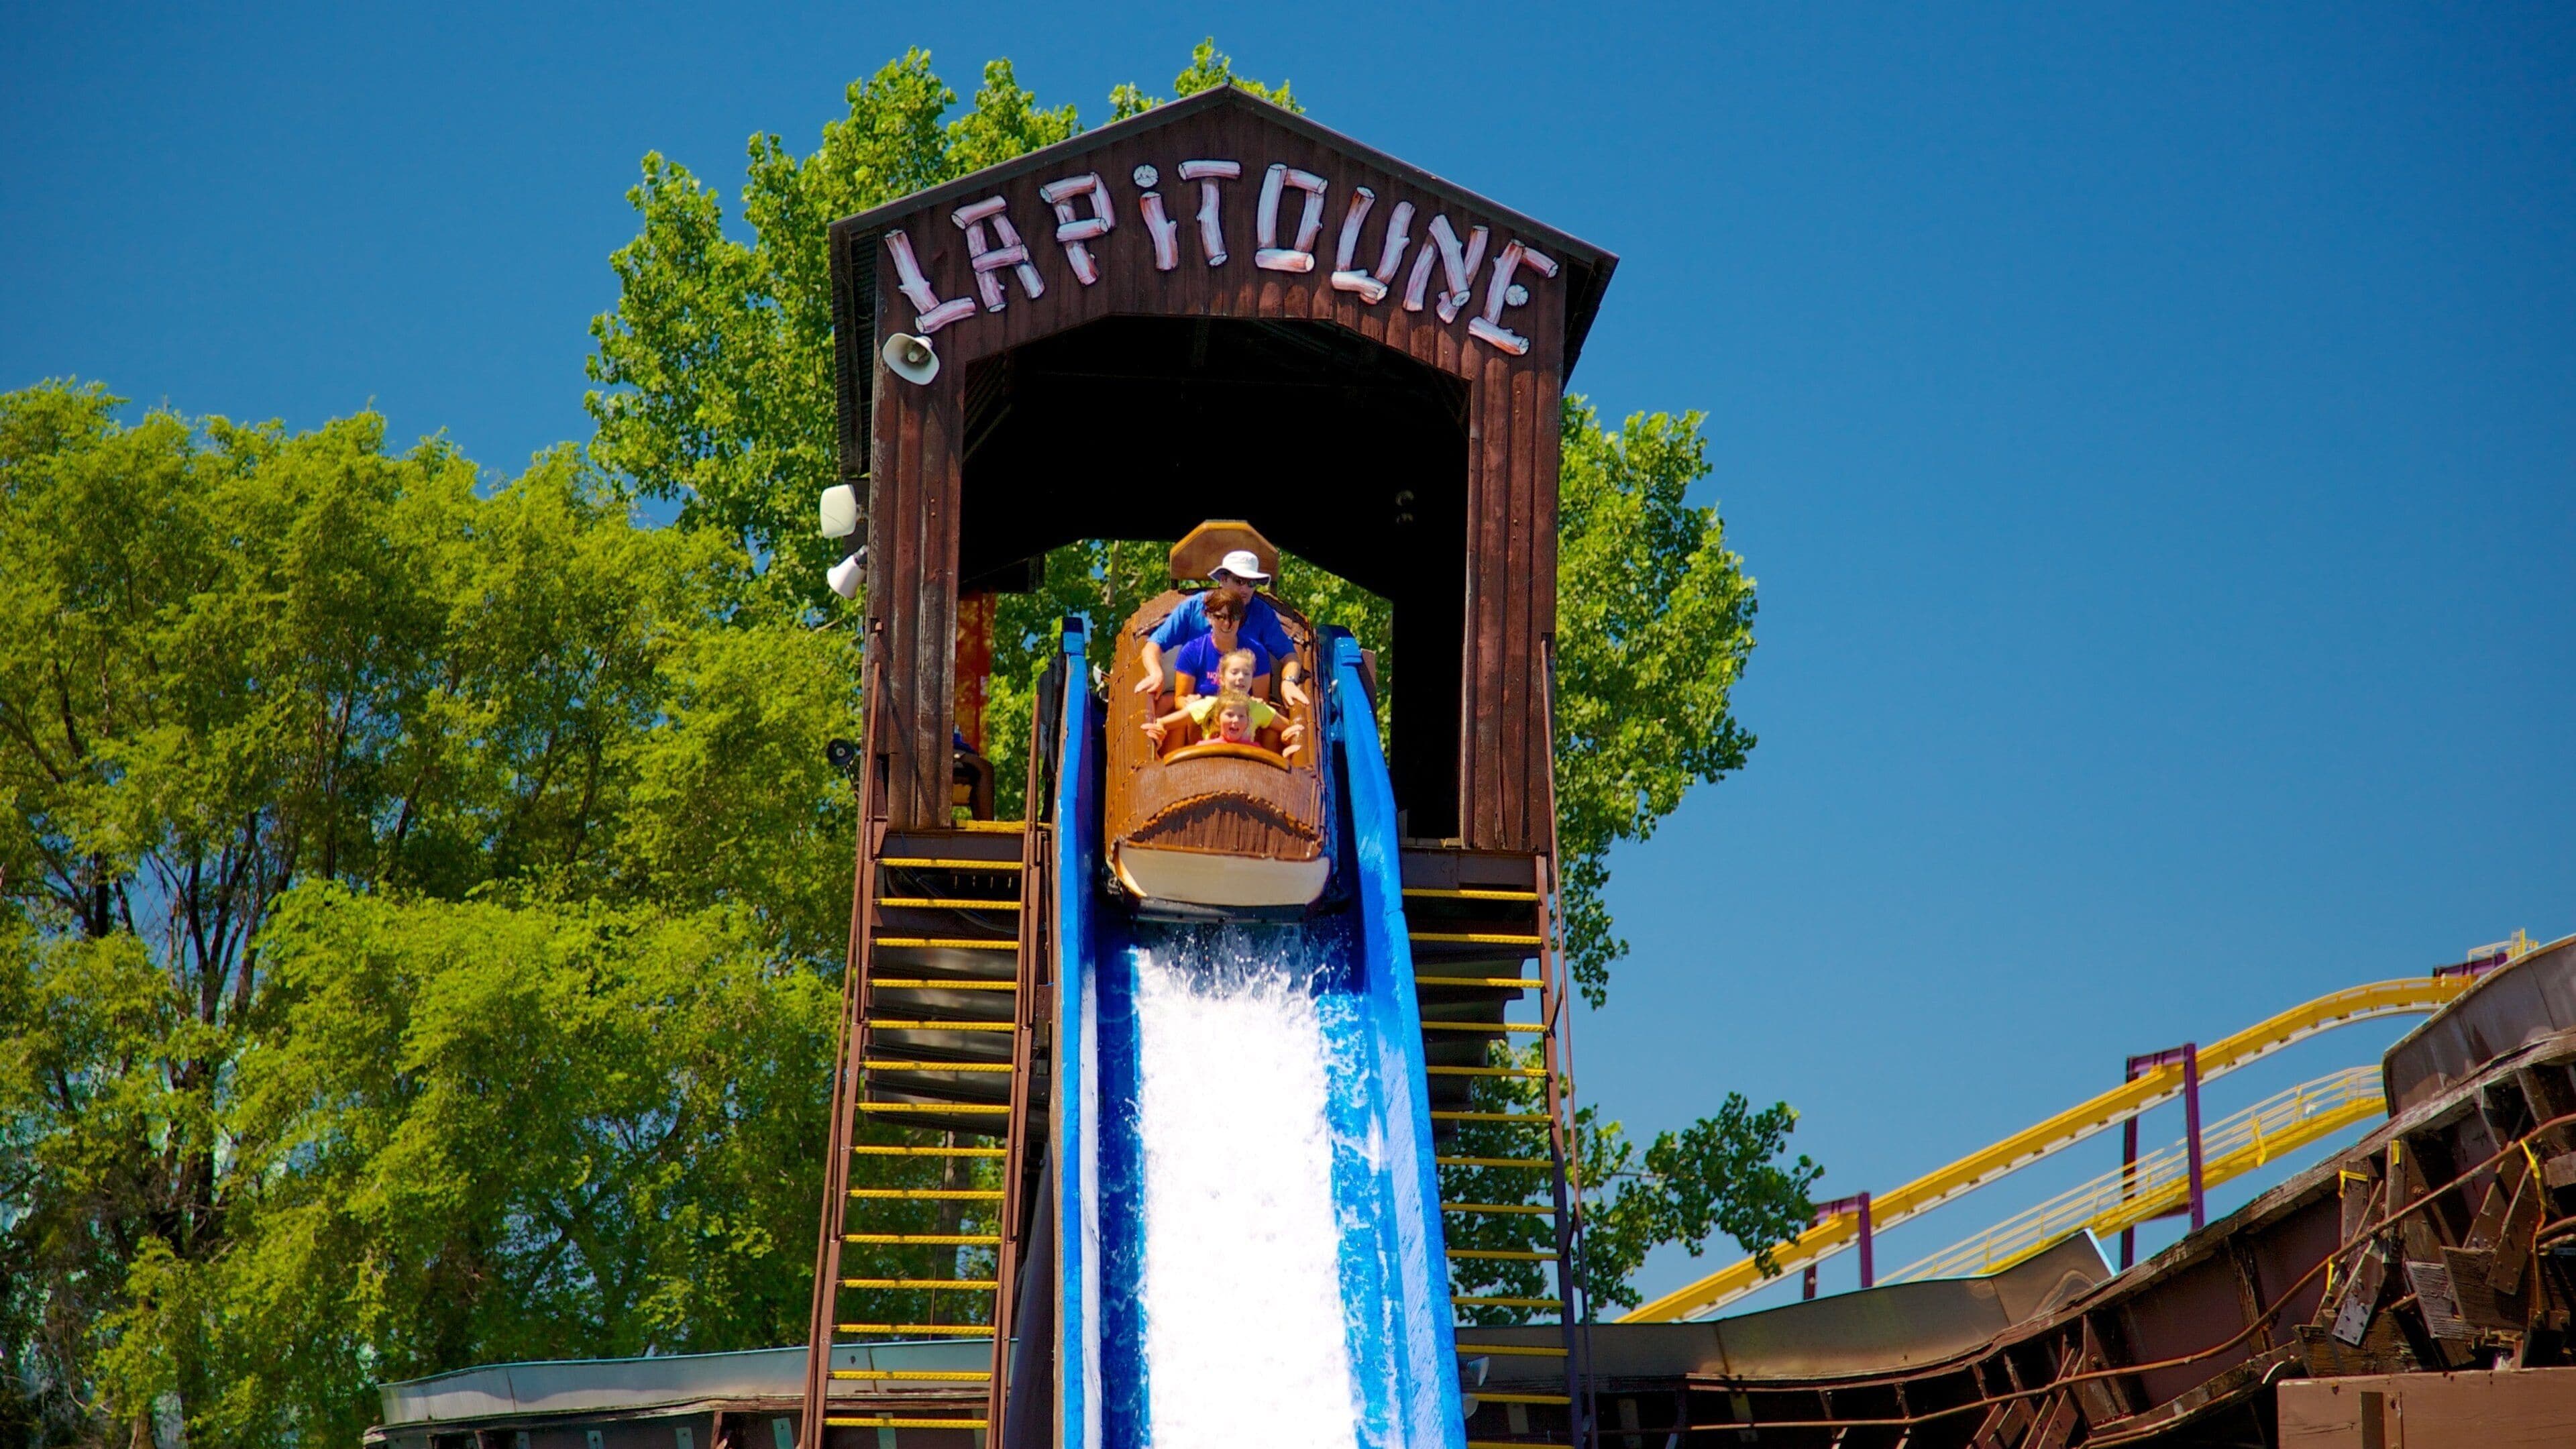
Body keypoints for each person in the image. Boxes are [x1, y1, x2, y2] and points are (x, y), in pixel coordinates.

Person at [1134, 547, 1307, 706]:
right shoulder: (1193, 608)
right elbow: (1153, 645)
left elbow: (1289, 656)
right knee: (1165, 703)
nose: (1245, 589)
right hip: (1197, 700)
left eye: (1251, 583)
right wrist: (1156, 673)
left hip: (1244, 706)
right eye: (1239, 581)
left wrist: (1289, 681)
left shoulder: (1262, 615)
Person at [1143, 649, 1303, 756]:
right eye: (1234, 673)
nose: (1241, 678)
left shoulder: (1258, 708)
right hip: (1212, 758)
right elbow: (1165, 723)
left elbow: (1289, 727)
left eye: (1246, 674)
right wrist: (1157, 730)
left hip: (1247, 761)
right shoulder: (1207, 705)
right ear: (1222, 678)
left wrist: (1289, 737)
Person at [1166, 591, 1271, 700]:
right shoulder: (1192, 651)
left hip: (1242, 715)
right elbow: (1180, 699)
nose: (1227, 624)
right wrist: (1191, 703)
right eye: (1220, 617)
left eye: (1234, 617)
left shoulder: (1257, 652)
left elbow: (1262, 701)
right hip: (1202, 714)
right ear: (1209, 617)